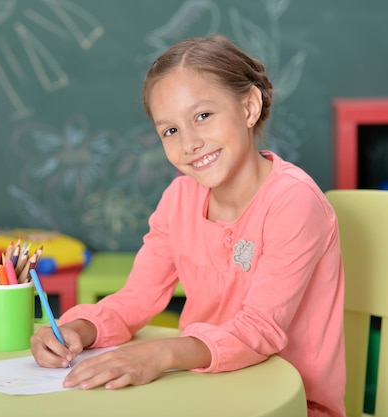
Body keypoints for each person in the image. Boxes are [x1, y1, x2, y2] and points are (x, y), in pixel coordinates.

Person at [30, 34, 345, 417]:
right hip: (204, 394)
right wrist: (77, 331)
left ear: (248, 106)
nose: (190, 143)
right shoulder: (179, 200)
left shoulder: (293, 201)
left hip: (291, 405)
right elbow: (136, 299)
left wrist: (159, 354)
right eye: (171, 131)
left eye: (202, 116)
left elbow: (259, 328)